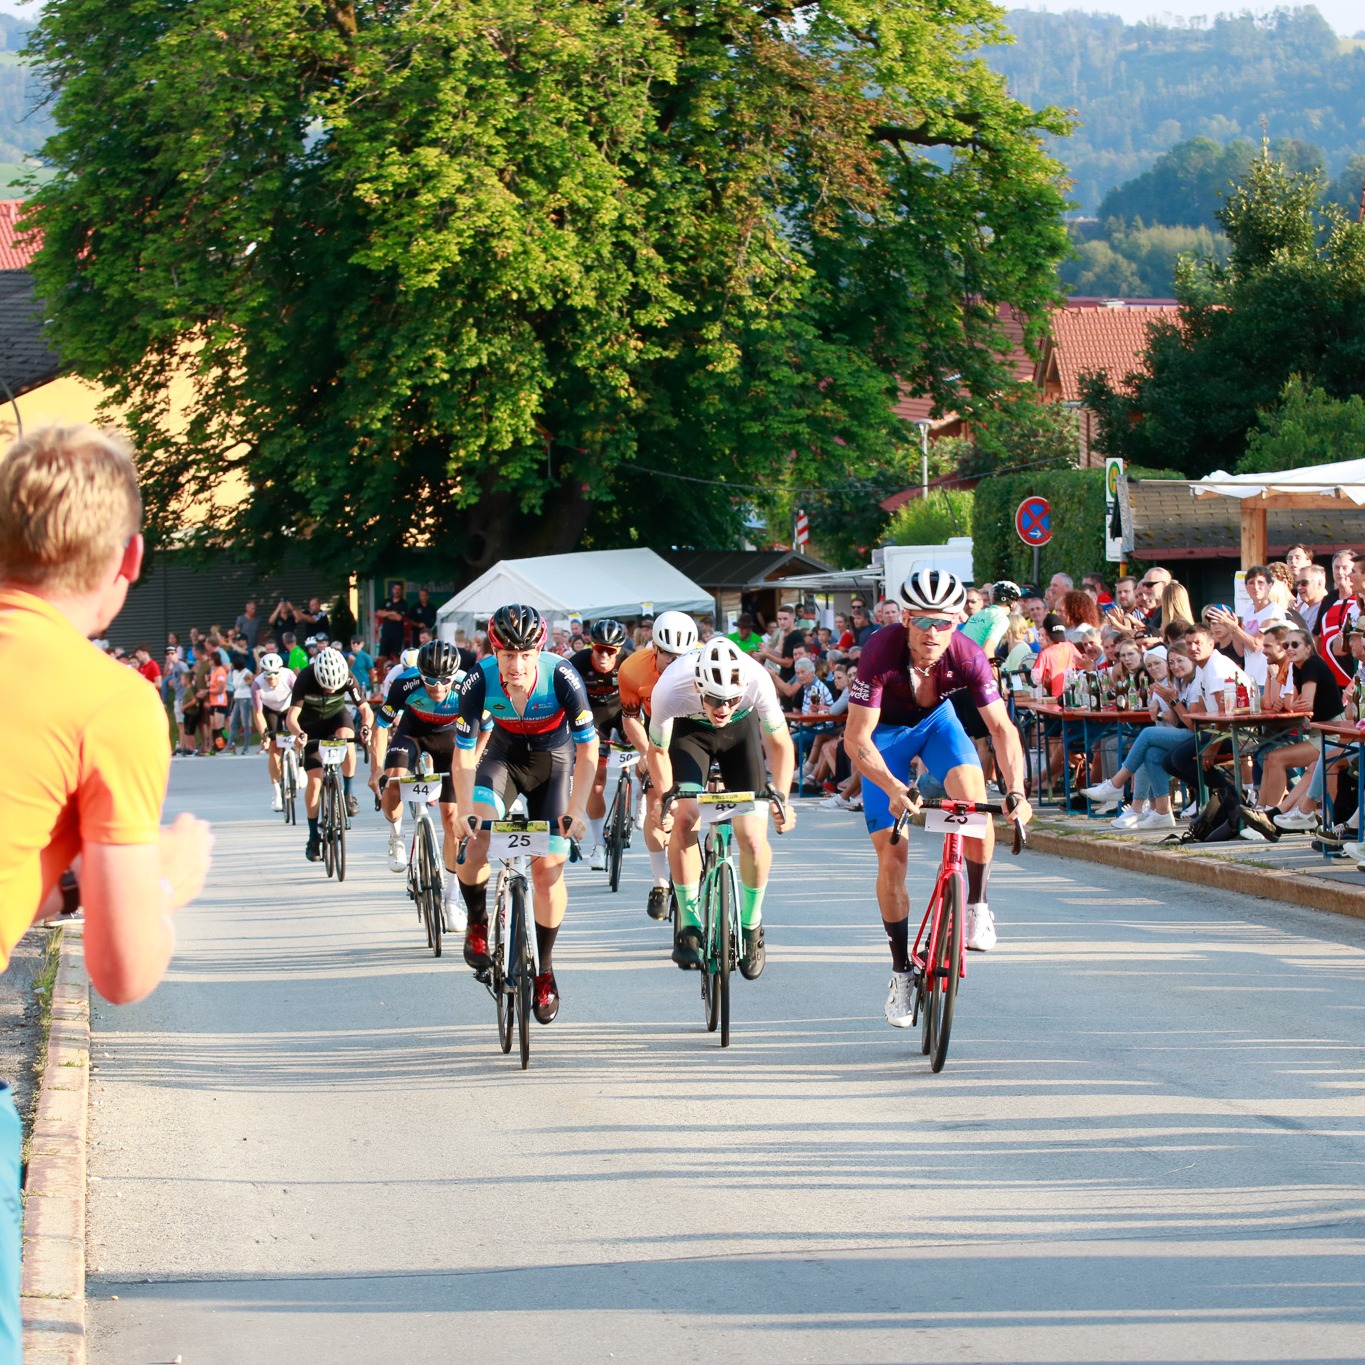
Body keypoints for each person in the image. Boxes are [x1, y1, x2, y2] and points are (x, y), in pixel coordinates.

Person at [0, 425, 213, 1356]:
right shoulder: (110, 700)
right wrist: (167, 876)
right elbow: (123, 971)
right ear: (129, 557)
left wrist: (64, 887)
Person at [843, 568, 1032, 1028]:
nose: (933, 632)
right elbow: (855, 740)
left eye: (944, 622)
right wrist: (893, 788)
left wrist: (1017, 792)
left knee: (975, 802)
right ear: (905, 619)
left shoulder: (968, 655)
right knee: (893, 856)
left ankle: (977, 905)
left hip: (937, 725)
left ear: (957, 621)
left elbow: (1002, 730)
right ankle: (900, 972)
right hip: (883, 735)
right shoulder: (879, 651)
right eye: (923, 621)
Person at [453, 604, 597, 1025]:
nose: (516, 665)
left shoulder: (562, 676)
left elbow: (589, 749)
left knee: (548, 869)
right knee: (477, 837)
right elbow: (464, 756)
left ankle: (545, 970)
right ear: (494, 651)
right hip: (502, 757)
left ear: (539, 652)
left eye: (525, 656)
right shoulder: (478, 679)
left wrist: (577, 809)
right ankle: (477, 923)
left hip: (553, 761)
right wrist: (464, 811)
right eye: (508, 655)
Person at [649, 637, 796, 976]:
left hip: (739, 737)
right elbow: (657, 752)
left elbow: (780, 743)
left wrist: (783, 800)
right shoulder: (671, 685)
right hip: (689, 735)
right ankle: (689, 923)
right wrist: (666, 796)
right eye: (715, 699)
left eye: (731, 699)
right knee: (685, 817)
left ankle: (751, 924)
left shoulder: (757, 678)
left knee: (754, 838)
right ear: (698, 687)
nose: (723, 707)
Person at [372, 639, 474, 927]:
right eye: (430, 681)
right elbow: (381, 727)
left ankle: (452, 899)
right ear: (420, 675)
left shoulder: (468, 685)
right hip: (413, 732)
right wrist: (376, 770)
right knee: (393, 782)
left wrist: (472, 763)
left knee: (453, 818)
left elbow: (488, 728)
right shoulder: (404, 683)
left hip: (451, 737)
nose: (439, 688)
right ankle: (396, 836)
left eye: (445, 681)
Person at [618, 610, 701, 920]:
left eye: (683, 657)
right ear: (654, 649)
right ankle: (660, 882)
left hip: (695, 727)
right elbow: (630, 720)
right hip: (656, 728)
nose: (676, 663)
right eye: (669, 657)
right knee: (657, 800)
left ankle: (702, 854)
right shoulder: (632, 670)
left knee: (701, 800)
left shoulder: (703, 663)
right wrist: (646, 752)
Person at [285, 646, 373, 861]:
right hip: (310, 725)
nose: (331, 691)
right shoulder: (305, 677)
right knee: (315, 782)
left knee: (347, 739)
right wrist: (299, 734)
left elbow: (365, 710)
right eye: (326, 687)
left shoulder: (347, 677)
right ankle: (313, 835)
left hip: (336, 717)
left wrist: (366, 727)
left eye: (335, 687)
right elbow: (291, 717)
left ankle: (348, 793)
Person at [568, 618, 629, 869]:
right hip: (594, 718)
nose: (604, 655)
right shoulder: (577, 663)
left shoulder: (629, 662)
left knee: (646, 758)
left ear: (619, 651)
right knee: (597, 783)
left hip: (625, 713)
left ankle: (638, 796)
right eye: (599, 648)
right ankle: (599, 846)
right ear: (591, 646)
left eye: (610, 651)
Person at [252, 651, 297, 811]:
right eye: (268, 676)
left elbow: (301, 701)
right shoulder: (257, 685)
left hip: (290, 707)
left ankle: (301, 767)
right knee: (274, 748)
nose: (272, 679)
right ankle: (277, 792)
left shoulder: (289, 676)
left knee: (299, 735)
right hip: (270, 711)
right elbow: (258, 713)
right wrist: (264, 736)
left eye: (275, 675)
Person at [960, 579, 1019, 658]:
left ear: (993, 599)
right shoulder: (1001, 619)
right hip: (973, 664)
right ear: (1013, 604)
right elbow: (987, 650)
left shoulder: (978, 614)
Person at [376, 581, 410, 659]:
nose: (397, 591)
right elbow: (378, 613)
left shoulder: (403, 603)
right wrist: (391, 612)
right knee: (382, 657)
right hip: (386, 634)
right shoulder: (386, 601)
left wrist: (385, 613)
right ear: (392, 589)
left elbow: (399, 618)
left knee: (396, 657)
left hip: (397, 635)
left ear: (401, 591)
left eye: (399, 589)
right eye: (395, 589)